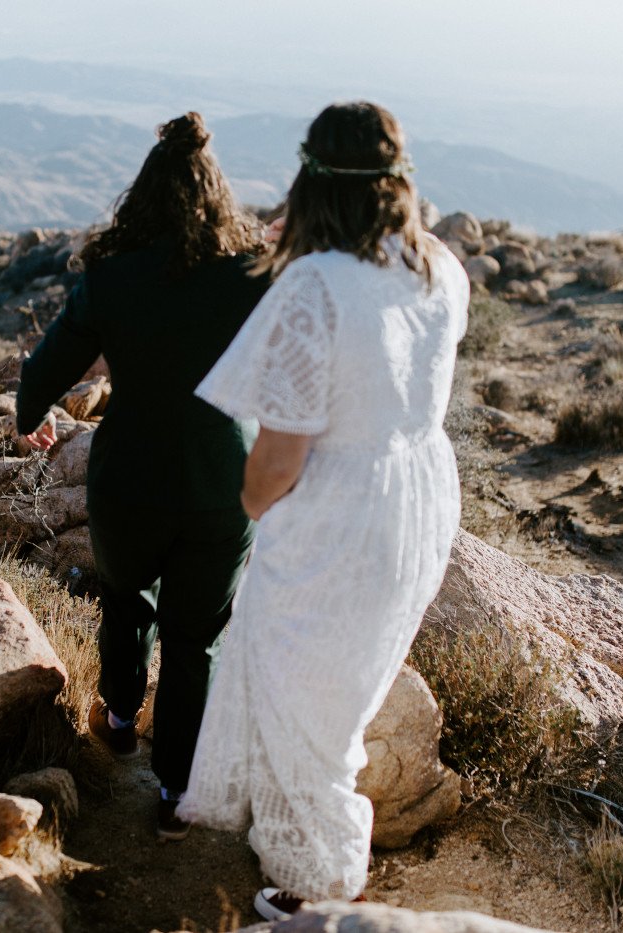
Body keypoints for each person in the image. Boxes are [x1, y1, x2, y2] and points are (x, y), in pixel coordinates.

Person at [175, 101, 470, 921]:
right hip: (421, 494)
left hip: (339, 511)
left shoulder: (313, 287)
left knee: (307, 701)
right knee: (341, 686)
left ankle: (324, 894)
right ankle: (309, 855)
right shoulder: (439, 268)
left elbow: (280, 453)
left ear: (312, 179)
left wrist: (252, 502)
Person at [13, 112, 268, 840]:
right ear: (217, 192)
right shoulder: (251, 274)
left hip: (131, 477)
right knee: (199, 639)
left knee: (127, 601)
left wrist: (31, 412)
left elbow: (50, 362)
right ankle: (177, 794)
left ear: (142, 192)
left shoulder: (112, 275)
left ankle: (121, 720)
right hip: (225, 477)